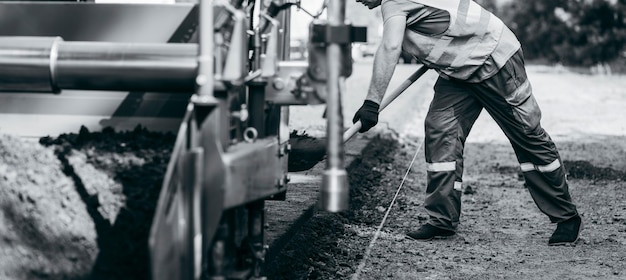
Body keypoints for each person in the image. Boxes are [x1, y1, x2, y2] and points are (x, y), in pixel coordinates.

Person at [352, 0, 582, 245]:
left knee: (527, 135)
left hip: (495, 59)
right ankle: (442, 219)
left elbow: (390, 47)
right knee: (441, 130)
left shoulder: (393, 2)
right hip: (459, 72)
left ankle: (566, 217)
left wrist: (371, 103)